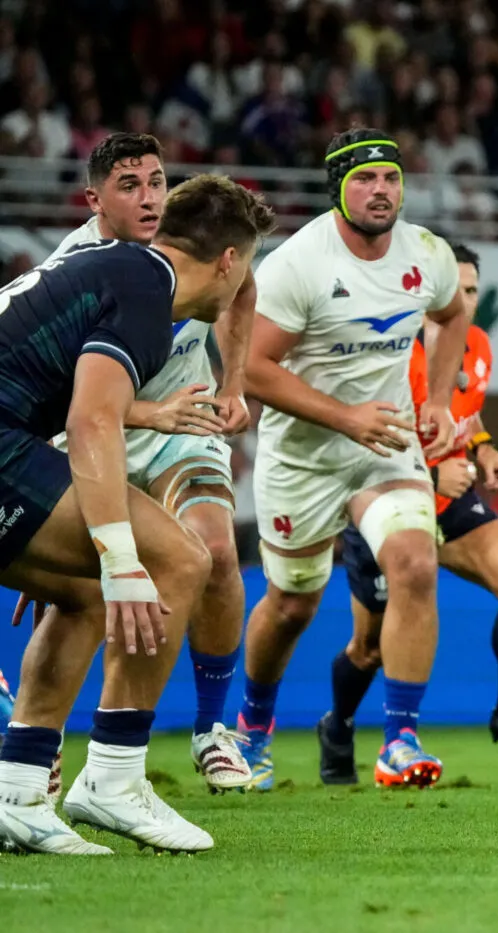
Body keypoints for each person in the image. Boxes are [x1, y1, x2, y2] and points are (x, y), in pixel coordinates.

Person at [0, 174, 275, 855]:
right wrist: (121, 557)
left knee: (86, 592)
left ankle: (17, 791)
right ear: (229, 262)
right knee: (178, 556)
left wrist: (69, 546)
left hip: (14, 446)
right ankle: (115, 779)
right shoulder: (149, 295)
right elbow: (92, 422)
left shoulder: (116, 267)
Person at [238, 128, 470, 790]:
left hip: (388, 442)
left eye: (391, 178)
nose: (380, 190)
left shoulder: (427, 253)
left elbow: (453, 315)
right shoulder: (297, 264)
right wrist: (344, 417)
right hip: (304, 455)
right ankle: (253, 728)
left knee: (416, 564)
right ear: (338, 187)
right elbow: (252, 367)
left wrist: (442, 398)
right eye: (364, 179)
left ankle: (400, 739)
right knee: (291, 605)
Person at [321, 243, 498, 786]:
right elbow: (358, 440)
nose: (465, 298)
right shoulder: (388, 351)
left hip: (451, 499)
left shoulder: (477, 344)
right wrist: (431, 475)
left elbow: (465, 411)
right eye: (455, 287)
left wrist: (483, 448)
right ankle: (337, 725)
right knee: (369, 648)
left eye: (474, 289)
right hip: (385, 499)